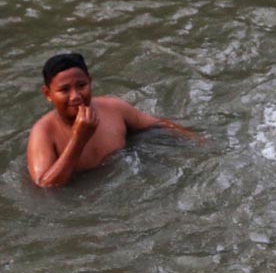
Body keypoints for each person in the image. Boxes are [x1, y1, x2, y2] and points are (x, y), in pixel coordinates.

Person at [27, 53, 199, 188]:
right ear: (48, 94)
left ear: (90, 82)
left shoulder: (114, 108)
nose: (76, 96)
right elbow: (44, 186)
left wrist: (198, 144)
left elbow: (159, 126)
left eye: (81, 86)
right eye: (64, 90)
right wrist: (78, 139)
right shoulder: (43, 132)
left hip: (130, 183)